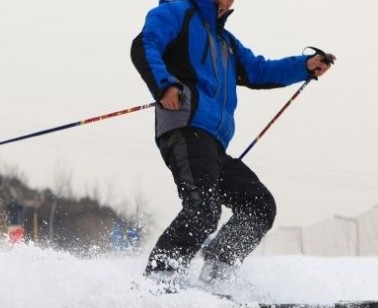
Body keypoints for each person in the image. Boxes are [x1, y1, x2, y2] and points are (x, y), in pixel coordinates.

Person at [131, 0, 334, 291]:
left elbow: (259, 71)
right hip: (185, 128)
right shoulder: (177, 12)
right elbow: (145, 45)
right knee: (203, 209)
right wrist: (164, 85)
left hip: (213, 144)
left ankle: (217, 273)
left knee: (259, 206)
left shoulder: (226, 42)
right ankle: (159, 281)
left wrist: (304, 66)